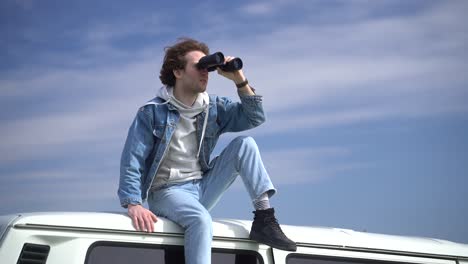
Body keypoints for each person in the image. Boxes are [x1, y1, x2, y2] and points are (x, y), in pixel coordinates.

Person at [118, 38, 296, 264]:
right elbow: (132, 159)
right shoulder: (152, 112)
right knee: (201, 220)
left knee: (246, 144)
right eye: (199, 66)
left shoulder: (213, 107)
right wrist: (133, 203)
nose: (206, 72)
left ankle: (264, 219)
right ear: (178, 72)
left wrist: (238, 79)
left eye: (208, 67)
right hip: (166, 192)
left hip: (202, 186)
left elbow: (255, 117)